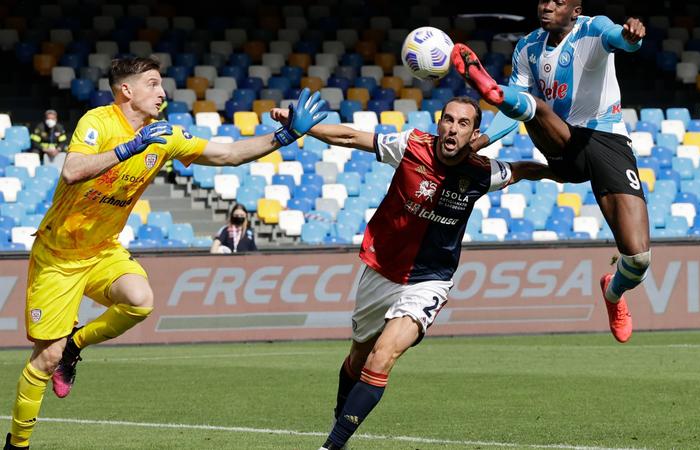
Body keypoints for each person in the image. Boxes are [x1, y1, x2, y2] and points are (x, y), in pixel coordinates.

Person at [3, 56, 327, 450]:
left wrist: (286, 135)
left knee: (140, 301)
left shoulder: (164, 135)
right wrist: (130, 148)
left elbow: (227, 154)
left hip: (102, 250)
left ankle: (77, 344)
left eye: (161, 84)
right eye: (153, 84)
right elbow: (72, 170)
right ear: (127, 90)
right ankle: (17, 444)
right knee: (44, 359)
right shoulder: (99, 122)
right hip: (58, 255)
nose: (162, 92)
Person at [270, 96, 558, 450]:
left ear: (475, 133)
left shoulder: (482, 172)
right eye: (448, 120)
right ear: (439, 124)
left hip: (430, 280)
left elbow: (522, 169)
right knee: (359, 357)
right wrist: (305, 128)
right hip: (382, 270)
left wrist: (568, 172)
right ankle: (339, 422)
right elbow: (350, 138)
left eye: (463, 123)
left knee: (383, 356)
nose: (452, 128)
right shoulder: (412, 146)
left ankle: (330, 446)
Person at [450, 0, 649, 344]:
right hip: (563, 143)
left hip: (607, 140)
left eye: (558, 2)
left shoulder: (593, 28)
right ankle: (495, 92)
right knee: (535, 108)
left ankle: (613, 292)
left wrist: (633, 37)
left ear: (575, 10)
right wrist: (481, 140)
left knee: (639, 258)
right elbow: (517, 114)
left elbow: (622, 40)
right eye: (544, 0)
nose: (547, 6)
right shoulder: (528, 47)